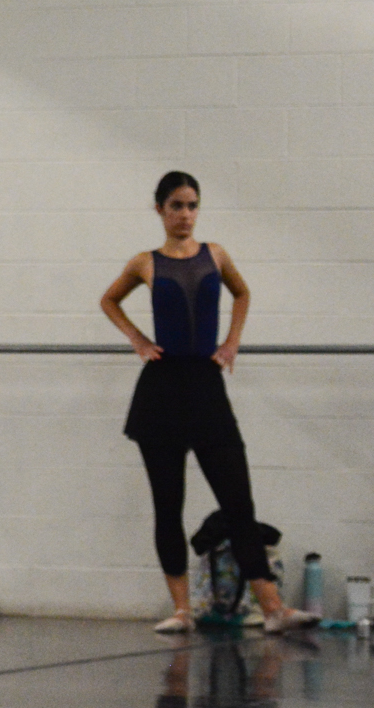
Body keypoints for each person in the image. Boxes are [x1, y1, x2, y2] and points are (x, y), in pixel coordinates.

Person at [99, 170, 318, 636]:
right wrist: (137, 338)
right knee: (168, 504)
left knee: (238, 501)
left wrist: (232, 341)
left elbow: (242, 292)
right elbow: (109, 300)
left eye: (192, 205)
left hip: (206, 387)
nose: (185, 214)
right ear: (159, 209)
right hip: (160, 393)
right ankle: (181, 610)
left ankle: (274, 607)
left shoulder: (215, 255)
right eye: (176, 205)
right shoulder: (145, 262)